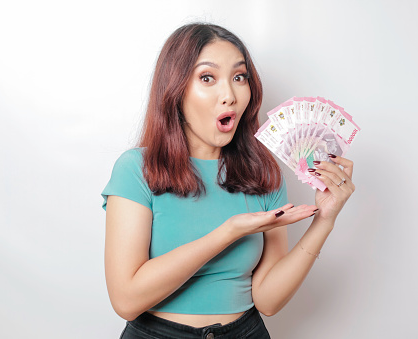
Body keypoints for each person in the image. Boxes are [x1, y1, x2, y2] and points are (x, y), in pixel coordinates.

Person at [101, 23, 355, 339]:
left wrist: (325, 222)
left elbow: (268, 301)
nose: (230, 95)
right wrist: (228, 232)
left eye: (239, 77)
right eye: (207, 78)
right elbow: (126, 300)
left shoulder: (262, 174)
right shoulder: (137, 169)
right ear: (175, 90)